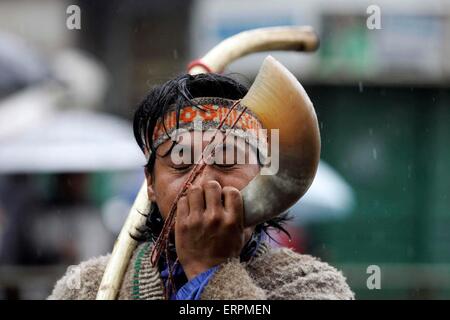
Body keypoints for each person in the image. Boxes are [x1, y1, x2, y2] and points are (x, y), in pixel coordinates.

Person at [48, 73, 354, 300]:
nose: (205, 181)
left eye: (227, 160)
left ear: (263, 175)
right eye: (181, 163)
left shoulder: (313, 284)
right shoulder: (87, 287)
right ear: (150, 183)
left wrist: (210, 268)